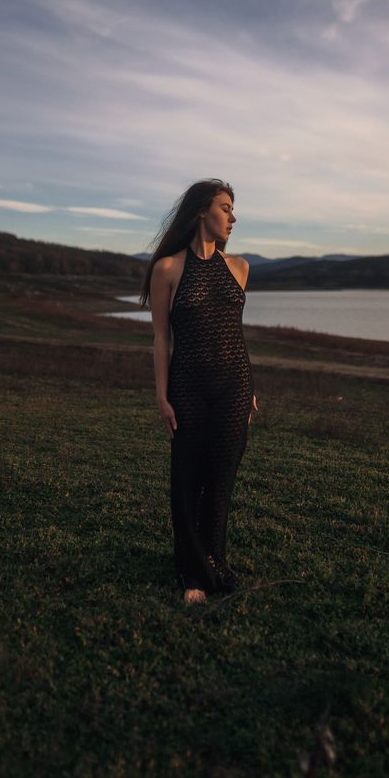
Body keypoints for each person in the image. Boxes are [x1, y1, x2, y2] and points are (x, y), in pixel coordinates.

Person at [140, 179, 258, 605]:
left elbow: (234, 334)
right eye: (225, 208)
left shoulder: (239, 267)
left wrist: (250, 388)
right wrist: (162, 396)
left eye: (232, 209)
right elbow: (161, 338)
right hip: (188, 387)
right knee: (188, 478)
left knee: (221, 480)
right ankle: (192, 573)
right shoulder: (168, 269)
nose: (232, 218)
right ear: (201, 212)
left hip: (234, 387)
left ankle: (214, 561)